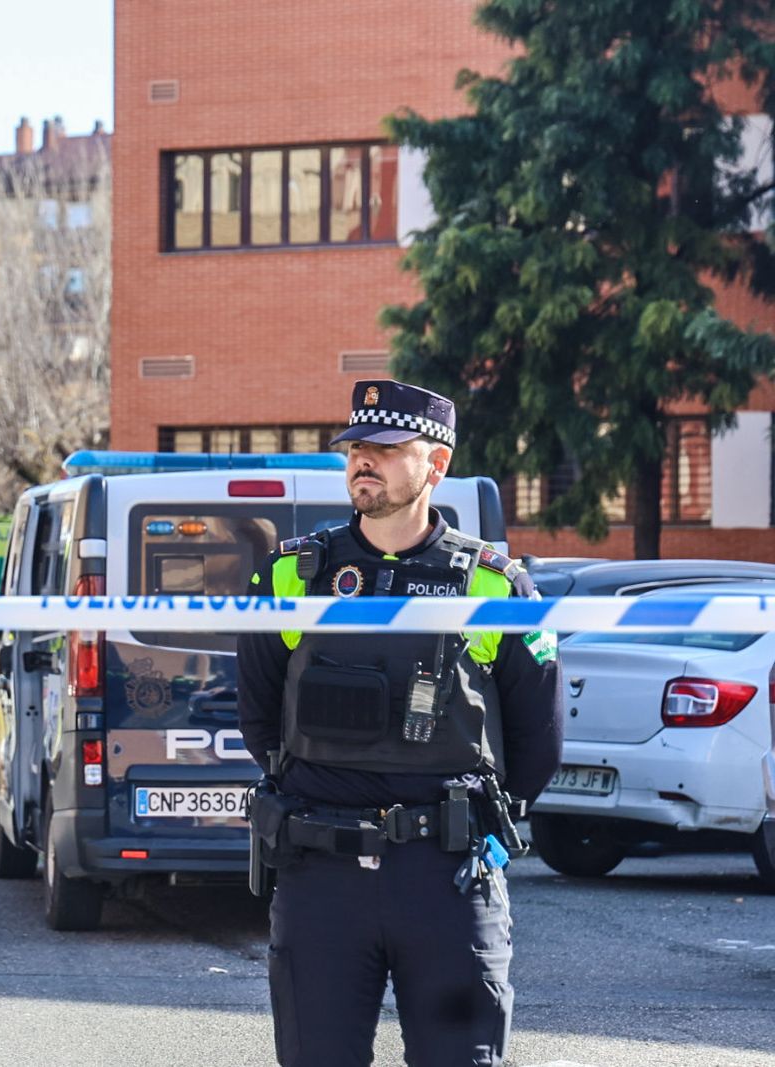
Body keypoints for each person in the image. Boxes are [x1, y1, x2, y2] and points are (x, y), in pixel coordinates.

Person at [236, 379, 562, 1067]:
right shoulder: (293, 574)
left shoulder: (495, 584)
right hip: (320, 875)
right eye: (355, 447)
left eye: (385, 448)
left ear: (435, 464)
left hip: (445, 879)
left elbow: (538, 740)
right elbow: (260, 718)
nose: (363, 461)